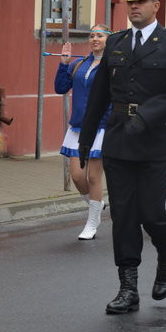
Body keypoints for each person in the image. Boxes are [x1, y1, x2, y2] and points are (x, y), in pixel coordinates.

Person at [79, 0, 166, 313]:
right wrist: (88, 139)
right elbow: (100, 94)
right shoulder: (115, 42)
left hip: (154, 137)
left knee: (151, 212)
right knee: (123, 215)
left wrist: (147, 115)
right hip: (118, 137)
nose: (134, 7)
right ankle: (128, 287)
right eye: (130, 2)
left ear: (156, 5)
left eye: (141, 2)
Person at [54, 24, 111, 240]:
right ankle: (97, 205)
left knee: (94, 177)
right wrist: (63, 63)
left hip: (101, 127)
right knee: (77, 176)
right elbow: (60, 88)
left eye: (100, 35)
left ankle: (92, 222)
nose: (95, 39)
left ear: (108, 40)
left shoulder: (112, 67)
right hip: (78, 127)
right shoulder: (79, 64)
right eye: (92, 35)